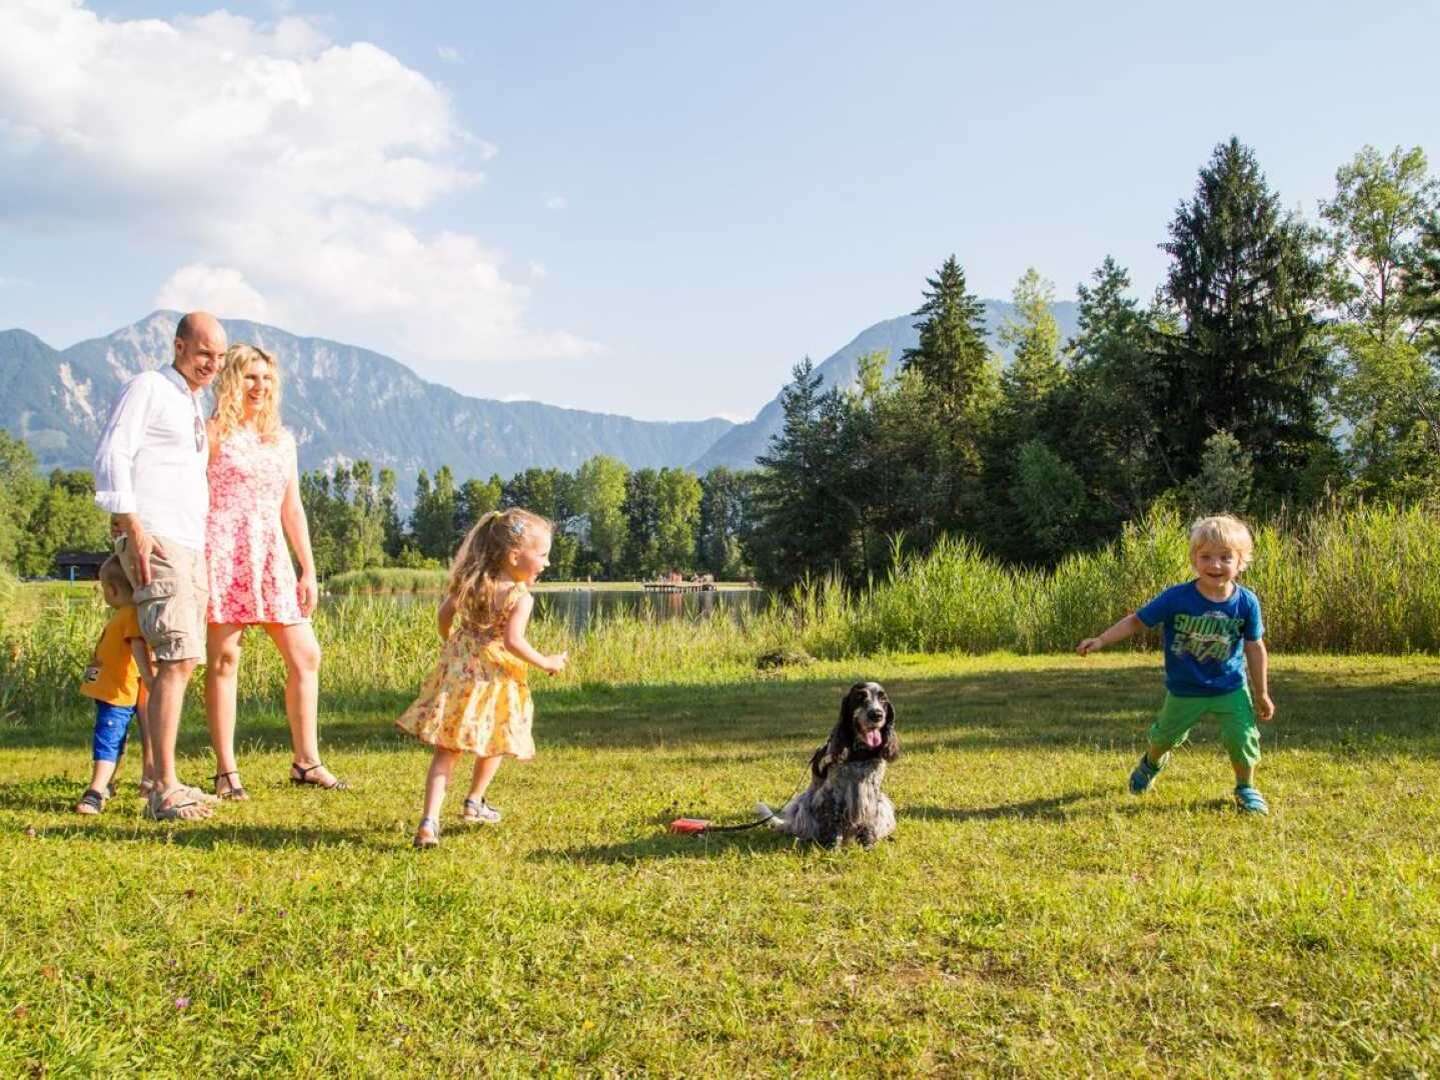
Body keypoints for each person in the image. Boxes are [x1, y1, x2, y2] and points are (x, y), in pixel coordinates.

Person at [94, 312, 226, 821]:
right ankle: (163, 788)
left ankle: (161, 777)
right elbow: (112, 452)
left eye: (218, 357)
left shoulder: (191, 403)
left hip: (188, 542)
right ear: (178, 346)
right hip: (158, 540)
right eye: (203, 354)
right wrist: (131, 522)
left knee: (184, 658)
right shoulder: (147, 386)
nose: (211, 364)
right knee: (173, 657)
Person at [204, 343, 342, 798]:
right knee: (225, 660)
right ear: (231, 380)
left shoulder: (282, 440)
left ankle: (307, 761)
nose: (259, 386)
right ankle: (226, 771)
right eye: (249, 377)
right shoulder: (211, 434)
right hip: (222, 551)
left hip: (271, 556)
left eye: (266, 378)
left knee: (306, 654)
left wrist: (308, 567)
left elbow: (293, 507)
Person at [1077, 514, 1275, 814]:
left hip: (1230, 687)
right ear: (1194, 560)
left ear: (1241, 561)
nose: (1215, 565)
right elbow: (1136, 621)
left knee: (1242, 739)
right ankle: (1151, 762)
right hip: (1185, 690)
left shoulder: (1246, 602)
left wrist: (1261, 693)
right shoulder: (1176, 598)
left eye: (1225, 557)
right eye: (1206, 556)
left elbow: (1254, 646)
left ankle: (1245, 787)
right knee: (1165, 737)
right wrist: (1101, 640)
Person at [397, 508, 568, 848]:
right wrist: (546, 661)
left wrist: (453, 645)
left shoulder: (472, 583)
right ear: (515, 555)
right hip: (495, 681)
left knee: (446, 751)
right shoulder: (520, 597)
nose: (547, 563)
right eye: (543, 555)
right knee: (495, 736)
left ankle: (429, 822)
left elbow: (444, 616)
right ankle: (474, 801)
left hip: (459, 677)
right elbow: (513, 642)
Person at [75, 557, 156, 814]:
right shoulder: (126, 614)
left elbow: (138, 646)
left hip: (119, 692)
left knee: (107, 740)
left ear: (112, 590)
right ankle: (106, 783)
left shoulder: (130, 615)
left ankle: (95, 792)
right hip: (113, 691)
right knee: (115, 738)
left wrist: (150, 680)